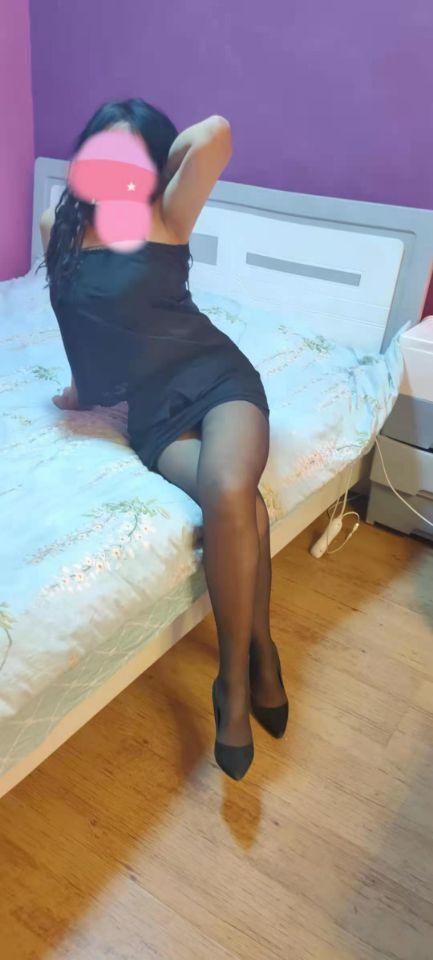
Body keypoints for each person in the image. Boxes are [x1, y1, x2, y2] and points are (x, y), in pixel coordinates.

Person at [39, 97, 288, 781]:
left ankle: (231, 685)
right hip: (153, 413)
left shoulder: (164, 214)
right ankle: (262, 651)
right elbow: (74, 322)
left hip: (220, 380)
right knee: (240, 504)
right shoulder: (57, 228)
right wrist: (80, 393)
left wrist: (153, 164)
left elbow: (216, 135)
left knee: (227, 486)